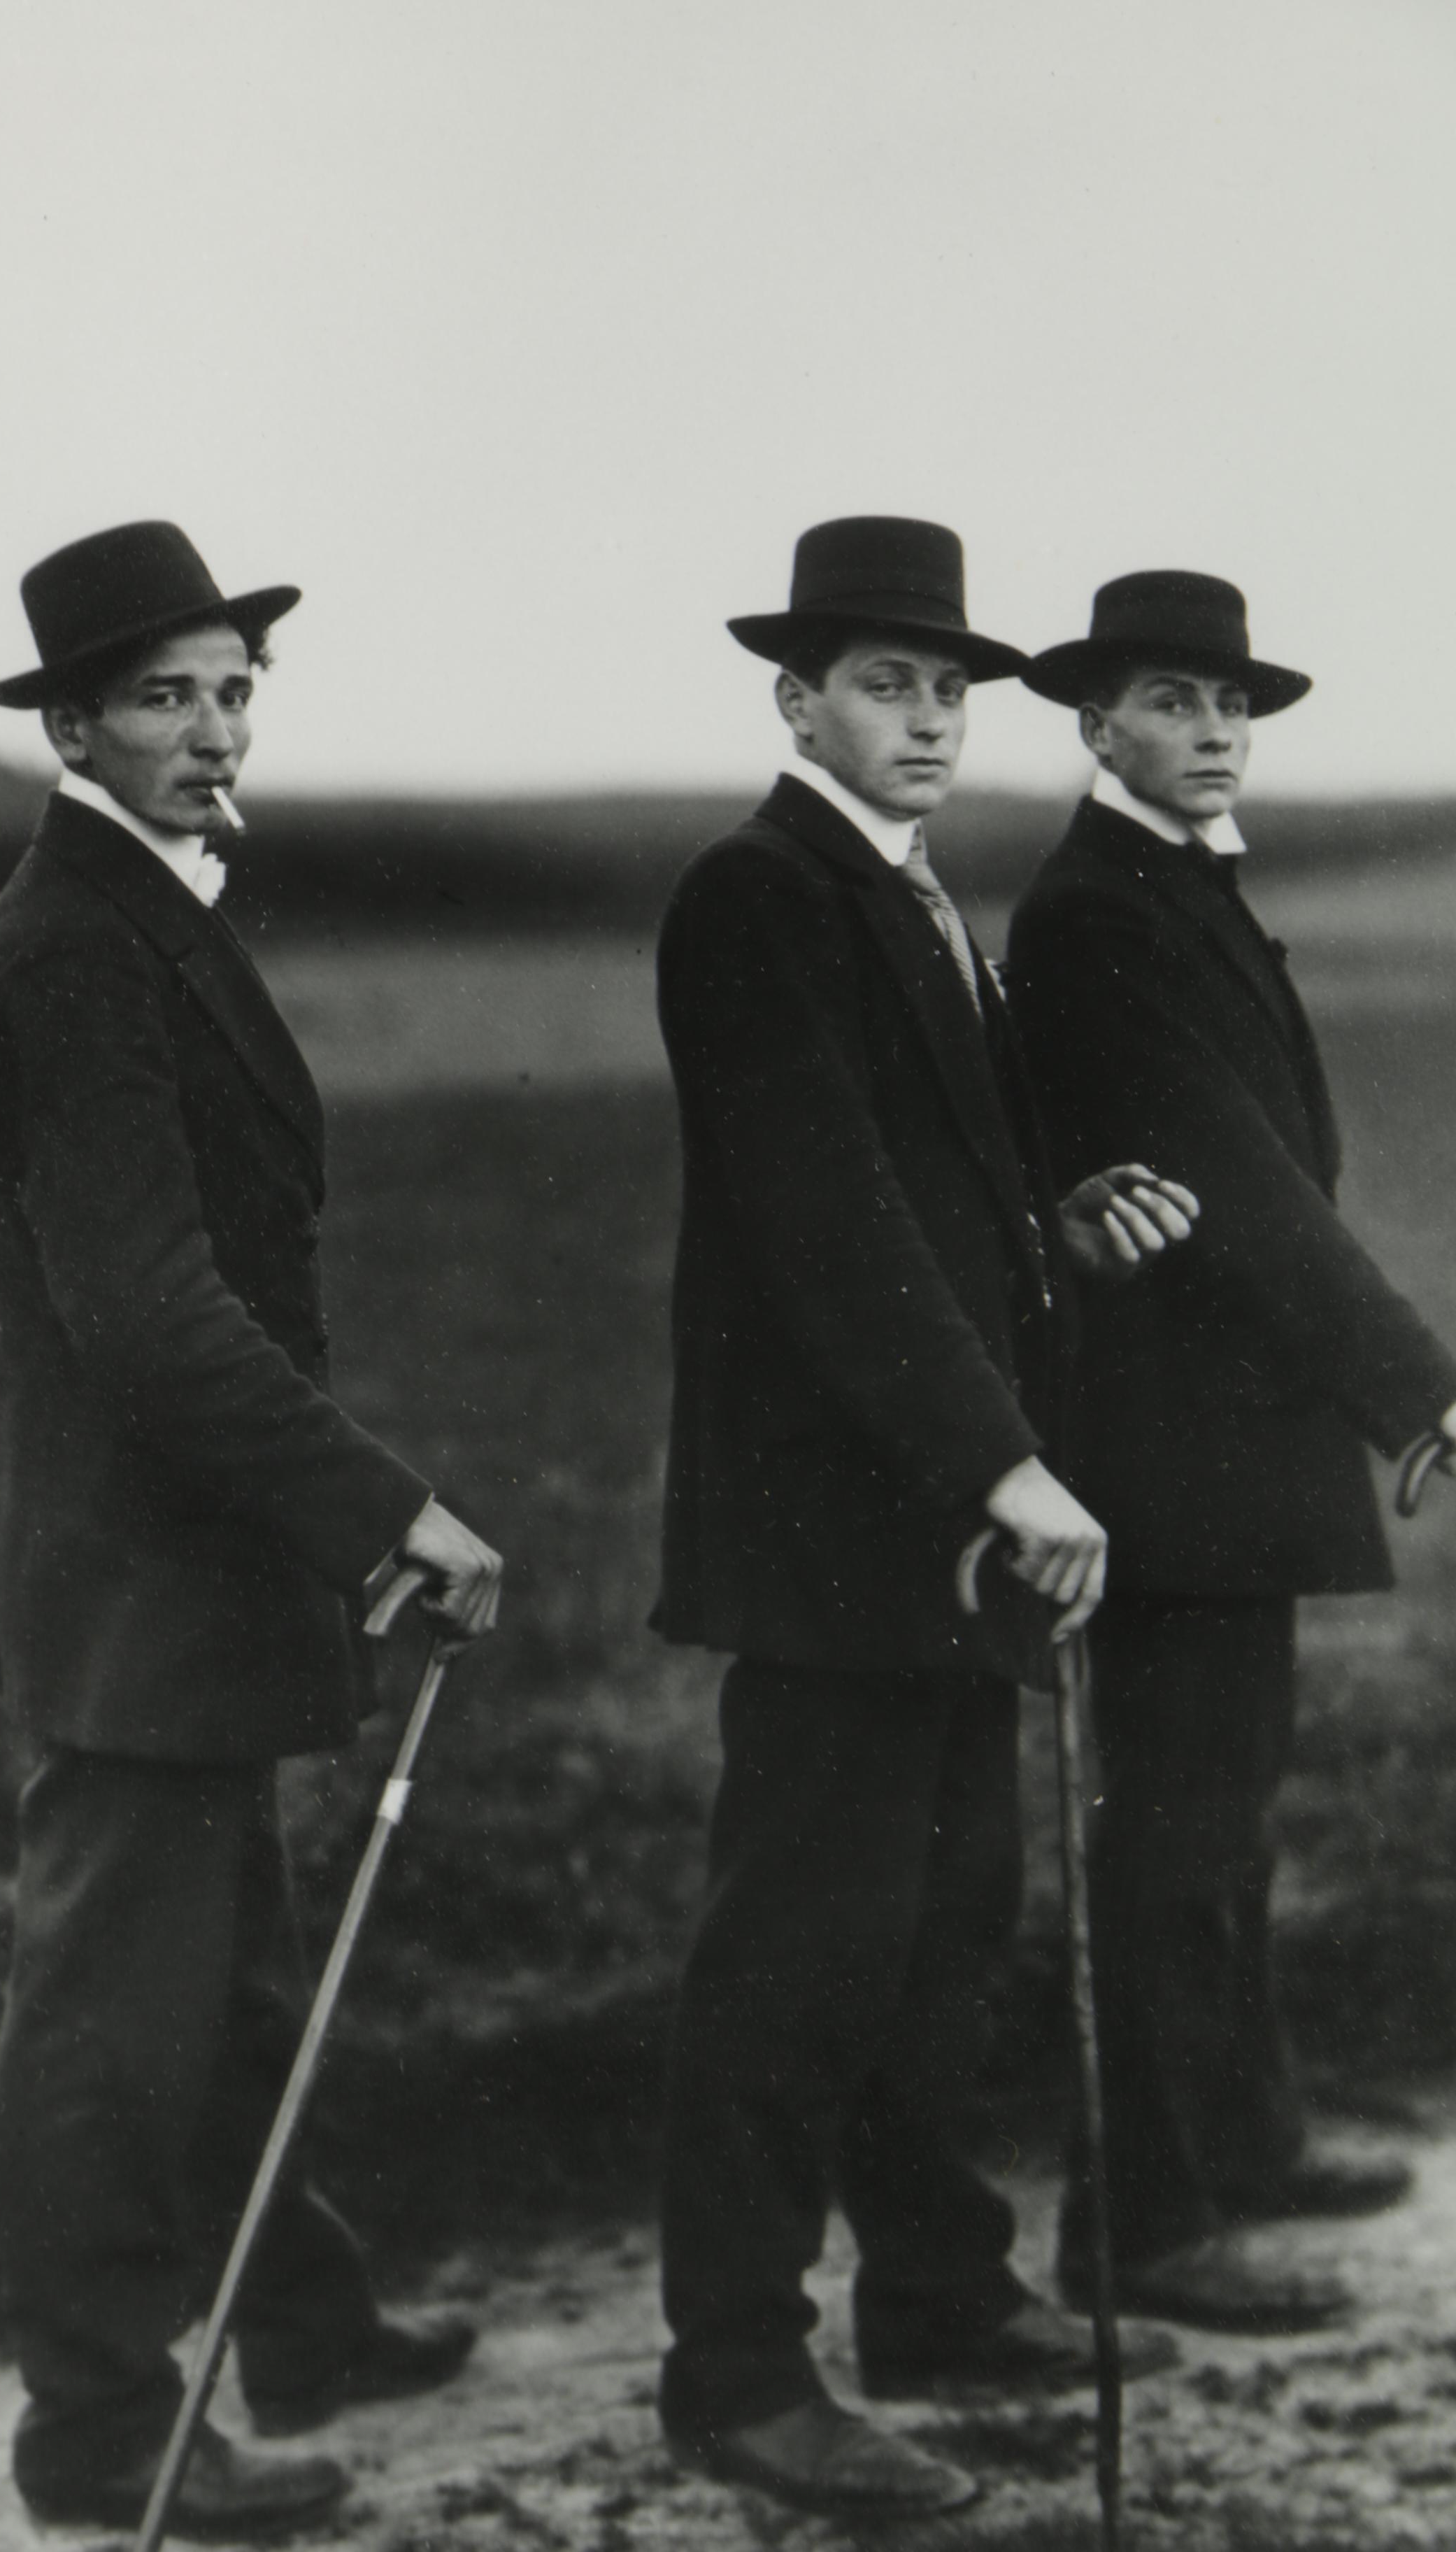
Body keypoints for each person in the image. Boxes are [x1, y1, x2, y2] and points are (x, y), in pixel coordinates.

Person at [0, 520, 503, 2537]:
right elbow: (151, 1310)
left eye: (234, 690)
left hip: (175, 1558)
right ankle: (96, 2441)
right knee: (108, 2026)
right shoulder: (82, 938)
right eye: (167, 696)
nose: (213, 729)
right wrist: (390, 1512)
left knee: (239, 1974)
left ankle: (312, 2319)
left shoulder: (142, 905)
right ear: (76, 721)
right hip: (133, 1569)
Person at [651, 516, 1190, 2523]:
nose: (933, 716)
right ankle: (737, 2376)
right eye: (890, 681)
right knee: (795, 1953)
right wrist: (1007, 1460)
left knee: (943, 1927)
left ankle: (942, 2294)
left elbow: (931, 1202)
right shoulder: (755, 895)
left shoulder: (908, 890)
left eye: (953, 687)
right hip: (836, 1535)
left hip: (935, 1523)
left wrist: (1054, 1233)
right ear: (799, 699)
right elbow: (827, 1222)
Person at [1006, 569, 1456, 2332]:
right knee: (1173, 1830)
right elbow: (1237, 1189)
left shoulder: (1171, 886)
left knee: (1228, 1812)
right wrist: (1418, 1389)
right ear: (1094, 720)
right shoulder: (1096, 914)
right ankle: (1142, 2220)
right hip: (1165, 1451)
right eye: (1175, 705)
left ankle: (1245, 2138)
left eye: (1230, 708)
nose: (1211, 735)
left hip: (1225, 1441)